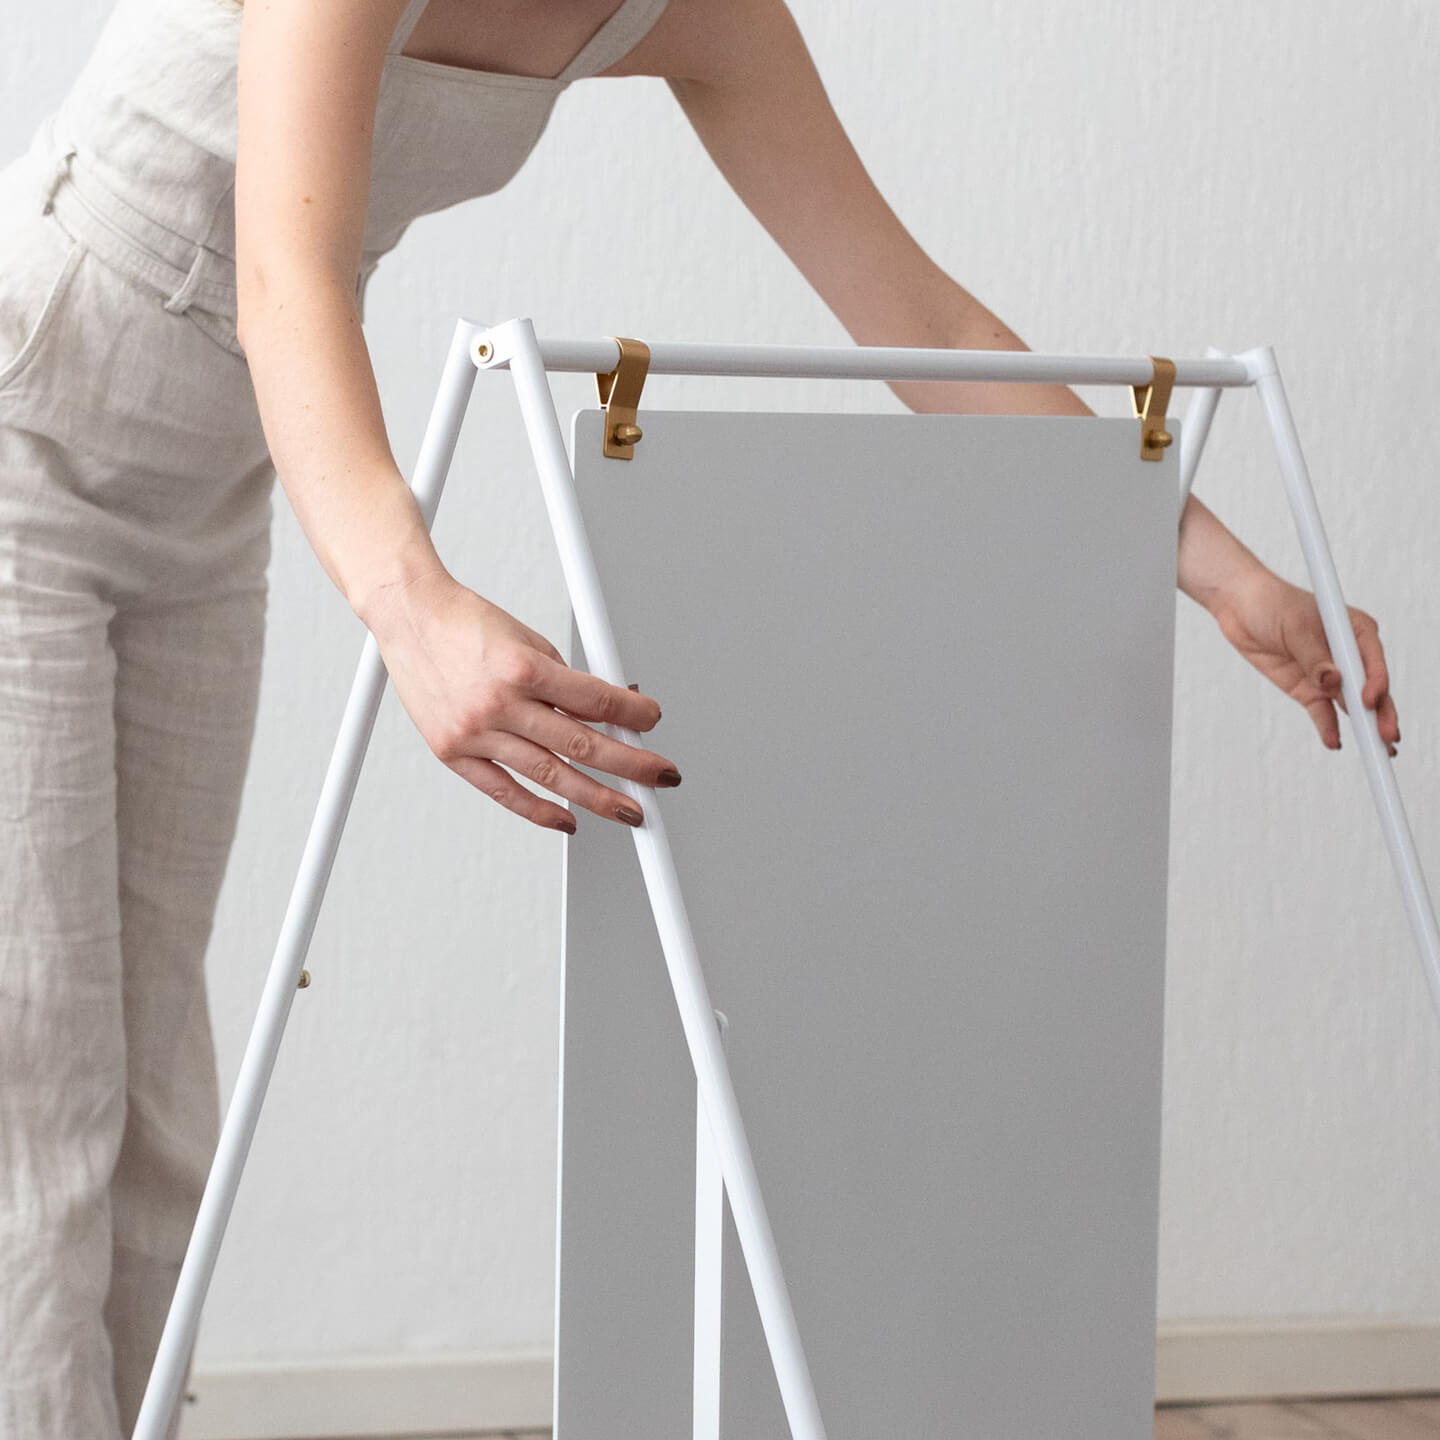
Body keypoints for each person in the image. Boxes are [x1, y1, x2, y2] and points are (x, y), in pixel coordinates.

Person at [0, 0, 1404, 1434]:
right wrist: (412, 601)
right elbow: (285, 283)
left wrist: (1221, 571)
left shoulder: (699, 16)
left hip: (212, 499)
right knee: (40, 1094)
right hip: (26, 447)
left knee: (154, 1103)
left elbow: (927, 320)